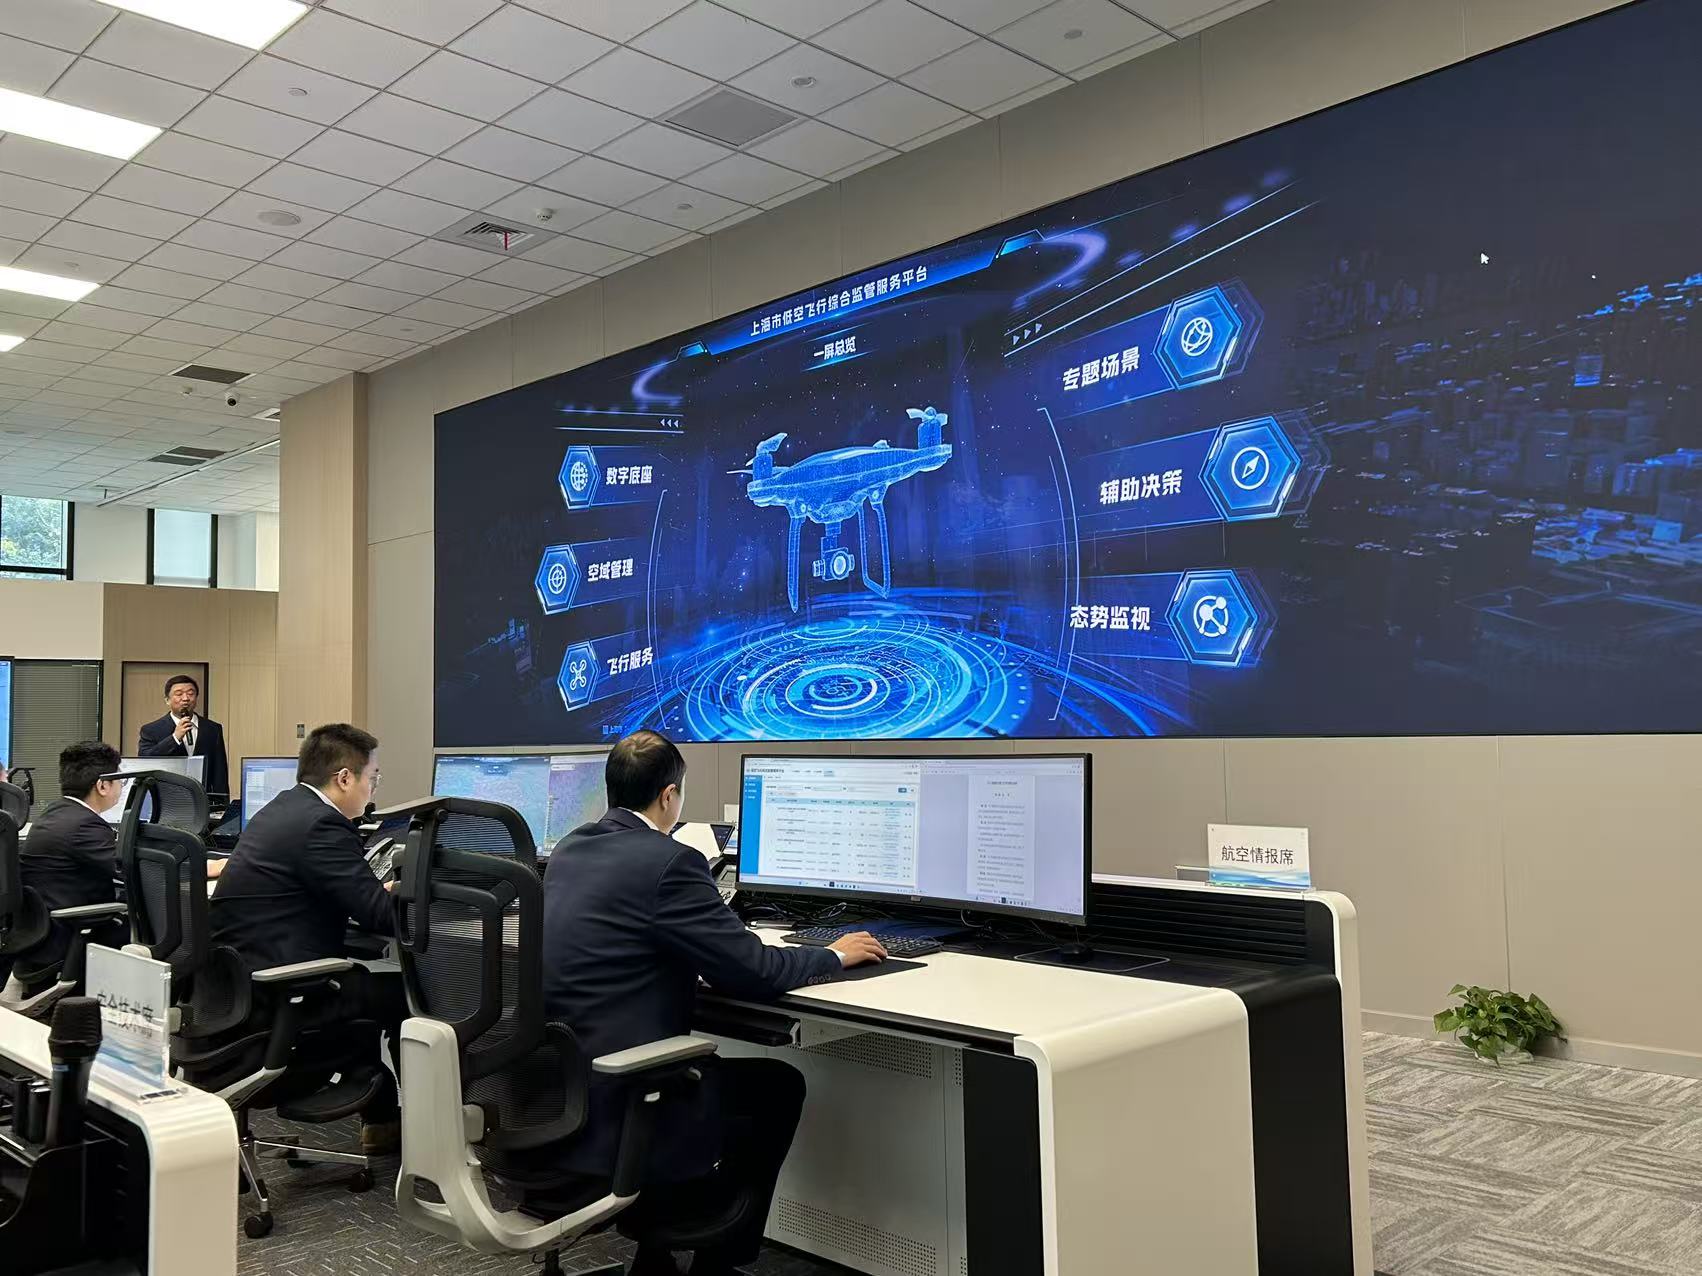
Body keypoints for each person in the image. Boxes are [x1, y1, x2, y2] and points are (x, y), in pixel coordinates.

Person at [541, 730, 886, 1276]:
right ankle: (713, 1259)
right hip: (621, 1102)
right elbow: (753, 971)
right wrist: (833, 955)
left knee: (719, 1072)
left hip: (561, 1097)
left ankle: (656, 1248)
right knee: (777, 1086)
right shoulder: (671, 861)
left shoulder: (568, 850)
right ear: (669, 796)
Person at [208, 723, 400, 1147]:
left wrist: (370, 890)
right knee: (406, 994)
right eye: (373, 778)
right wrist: (417, 895)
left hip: (234, 995)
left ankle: (381, 1115)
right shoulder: (323, 825)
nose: (373, 789)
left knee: (363, 984)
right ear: (344, 778)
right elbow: (378, 916)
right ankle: (417, 1130)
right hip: (277, 998)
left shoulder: (283, 807)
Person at [6, 741, 127, 996]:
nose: (121, 787)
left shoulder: (55, 812)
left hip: (41, 932)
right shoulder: (85, 826)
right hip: (68, 936)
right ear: (102, 786)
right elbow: (133, 871)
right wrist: (201, 866)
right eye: (120, 781)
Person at [137, 674, 230, 802]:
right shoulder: (151, 730)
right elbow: (145, 760)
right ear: (167, 700)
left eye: (190, 693)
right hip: (166, 800)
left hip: (202, 800)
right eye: (179, 694)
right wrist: (174, 738)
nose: (185, 698)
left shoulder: (212, 729)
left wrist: (223, 804)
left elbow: (220, 771)